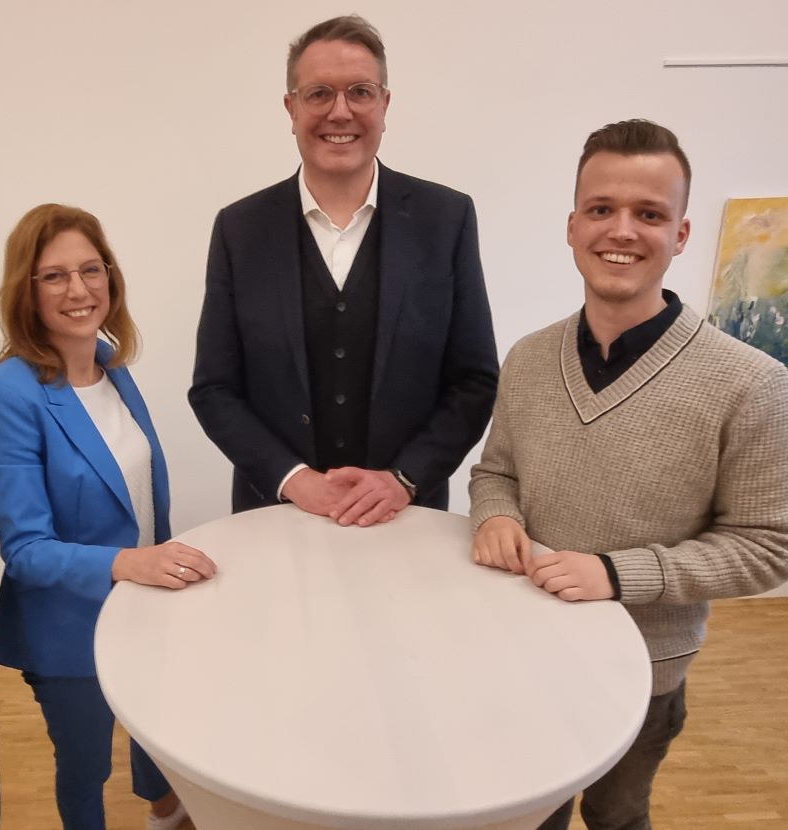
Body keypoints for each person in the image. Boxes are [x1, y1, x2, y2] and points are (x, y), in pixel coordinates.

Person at [469, 119, 788, 829]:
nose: (622, 230)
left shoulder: (752, 385)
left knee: (616, 817)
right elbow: (496, 473)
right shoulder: (526, 358)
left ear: (679, 234)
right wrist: (495, 515)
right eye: (602, 209)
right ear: (573, 224)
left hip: (645, 672)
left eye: (649, 214)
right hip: (528, 647)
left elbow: (768, 549)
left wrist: (615, 574)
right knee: (531, 816)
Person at [189, 14, 498, 526]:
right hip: (275, 517)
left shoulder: (446, 219)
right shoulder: (239, 230)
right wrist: (294, 479)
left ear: (384, 104)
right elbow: (214, 388)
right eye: (318, 94)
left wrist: (402, 480)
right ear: (290, 108)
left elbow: (474, 379)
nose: (340, 111)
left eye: (359, 91)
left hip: (407, 520)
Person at [0, 204, 216, 830]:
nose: (79, 290)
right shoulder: (4, 397)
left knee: (154, 727)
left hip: (142, 605)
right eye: (54, 276)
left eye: (91, 269)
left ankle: (165, 810)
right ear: (25, 290)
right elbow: (26, 549)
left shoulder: (112, 368)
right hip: (69, 625)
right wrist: (133, 563)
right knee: (85, 769)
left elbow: (136, 493)